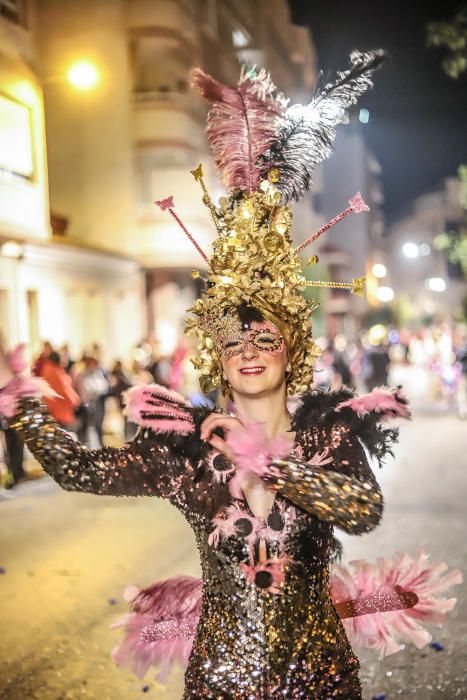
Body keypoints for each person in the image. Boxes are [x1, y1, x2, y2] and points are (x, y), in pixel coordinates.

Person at [0, 55, 459, 699]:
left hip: (320, 680)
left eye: (265, 337)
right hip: (220, 681)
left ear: (291, 348)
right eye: (233, 338)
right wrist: (20, 407)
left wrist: (268, 464)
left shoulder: (328, 439)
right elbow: (82, 471)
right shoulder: (187, 452)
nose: (248, 350)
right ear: (215, 352)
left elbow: (362, 509)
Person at [41, 351, 80, 429]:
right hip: (61, 413)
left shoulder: (46, 370)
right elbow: (66, 392)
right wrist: (76, 402)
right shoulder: (58, 374)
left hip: (51, 410)